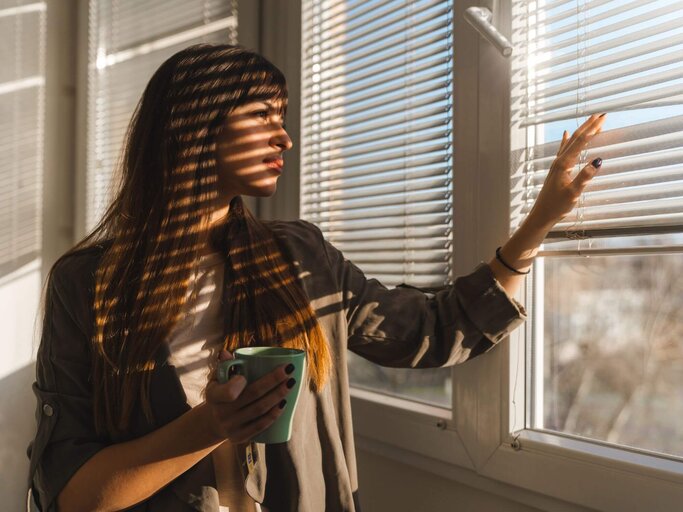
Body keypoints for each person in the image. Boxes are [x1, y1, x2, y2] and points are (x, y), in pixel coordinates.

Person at [26, 43, 606, 512]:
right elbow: (74, 493)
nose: (286, 138)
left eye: (284, 119)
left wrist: (540, 221)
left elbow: (431, 328)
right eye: (262, 117)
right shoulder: (87, 285)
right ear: (192, 124)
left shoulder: (298, 258)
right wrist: (210, 425)